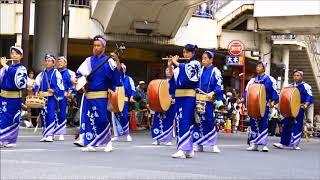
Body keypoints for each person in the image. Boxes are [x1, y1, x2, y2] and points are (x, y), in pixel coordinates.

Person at [71, 35, 122, 152]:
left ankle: (108, 142)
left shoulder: (108, 61)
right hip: (88, 95)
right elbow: (79, 75)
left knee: (102, 119)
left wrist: (117, 61)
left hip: (101, 96)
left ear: (104, 47)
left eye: (98, 45)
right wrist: (75, 79)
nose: (95, 48)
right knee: (90, 119)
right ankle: (92, 143)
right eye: (94, 45)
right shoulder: (88, 60)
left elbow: (116, 77)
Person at [167, 44, 201, 158]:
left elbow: (190, 77)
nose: (184, 54)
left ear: (192, 53)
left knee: (185, 121)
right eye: (184, 52)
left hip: (188, 97)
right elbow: (172, 79)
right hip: (179, 97)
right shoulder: (182, 65)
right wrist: (170, 65)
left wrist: (176, 63)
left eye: (186, 52)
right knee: (181, 121)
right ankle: (188, 150)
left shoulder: (195, 64)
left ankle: (183, 149)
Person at [274, 69, 313, 150]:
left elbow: (309, 96)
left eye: (298, 75)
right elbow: (284, 95)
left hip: (299, 107)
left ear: (302, 77)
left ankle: (295, 144)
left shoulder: (305, 86)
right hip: (289, 108)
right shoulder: (290, 86)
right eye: (294, 75)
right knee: (286, 124)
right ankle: (283, 143)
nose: (296, 77)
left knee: (297, 125)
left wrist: (306, 103)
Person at [193, 50, 223, 153]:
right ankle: (199, 144)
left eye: (206, 58)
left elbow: (219, 84)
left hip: (208, 100)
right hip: (198, 99)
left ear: (211, 60)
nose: (204, 60)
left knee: (209, 120)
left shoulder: (215, 71)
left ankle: (214, 144)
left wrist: (213, 93)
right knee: (197, 121)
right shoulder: (200, 71)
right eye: (203, 58)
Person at [244, 61, 279, 152]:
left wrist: (273, 101)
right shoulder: (252, 80)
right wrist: (244, 99)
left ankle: (264, 144)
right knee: (253, 124)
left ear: (263, 68)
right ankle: (254, 144)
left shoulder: (270, 79)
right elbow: (247, 92)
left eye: (259, 66)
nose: (257, 68)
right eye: (257, 66)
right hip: (253, 105)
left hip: (264, 105)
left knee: (263, 123)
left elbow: (274, 92)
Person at [0, 46, 28, 148]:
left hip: (14, 98)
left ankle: (11, 140)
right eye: (12, 53)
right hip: (3, 97)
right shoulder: (5, 68)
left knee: (13, 119)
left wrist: (5, 66)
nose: (14, 55)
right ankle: (2, 138)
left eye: (17, 54)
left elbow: (19, 82)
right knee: (3, 118)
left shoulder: (22, 68)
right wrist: (4, 67)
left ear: (21, 56)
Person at [34, 54, 65, 142]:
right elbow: (37, 83)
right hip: (42, 97)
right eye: (46, 61)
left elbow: (60, 85)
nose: (47, 63)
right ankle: (45, 134)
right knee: (43, 114)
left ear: (53, 63)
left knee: (50, 115)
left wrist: (54, 90)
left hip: (51, 97)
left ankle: (50, 135)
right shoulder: (42, 73)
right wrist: (36, 91)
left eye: (49, 61)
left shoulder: (56, 73)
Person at [151, 67, 176, 146]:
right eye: (167, 70)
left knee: (168, 120)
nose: (168, 72)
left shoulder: (176, 81)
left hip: (171, 104)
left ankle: (168, 140)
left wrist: (172, 97)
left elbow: (177, 92)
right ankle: (157, 139)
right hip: (160, 104)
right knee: (157, 120)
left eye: (170, 70)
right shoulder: (162, 82)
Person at [112, 63, 135, 142]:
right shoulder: (114, 78)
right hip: (114, 99)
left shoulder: (129, 79)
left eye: (123, 68)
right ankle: (116, 135)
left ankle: (127, 134)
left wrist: (131, 97)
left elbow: (133, 89)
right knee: (114, 117)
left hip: (124, 99)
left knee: (124, 116)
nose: (122, 70)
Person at [55, 56, 75, 141]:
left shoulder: (69, 73)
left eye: (61, 61)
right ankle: (53, 130)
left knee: (62, 113)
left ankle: (61, 133)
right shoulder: (54, 72)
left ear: (65, 63)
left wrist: (69, 93)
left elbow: (72, 85)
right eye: (58, 61)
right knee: (52, 113)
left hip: (63, 95)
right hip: (54, 94)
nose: (59, 63)